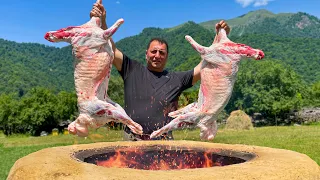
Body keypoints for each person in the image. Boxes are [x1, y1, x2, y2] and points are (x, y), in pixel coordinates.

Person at [90, 2, 230, 141]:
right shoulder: (131, 70)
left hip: (164, 143)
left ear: (167, 56)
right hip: (132, 141)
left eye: (162, 53)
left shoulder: (177, 79)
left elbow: (203, 66)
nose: (157, 55)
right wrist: (102, 21)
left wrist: (220, 40)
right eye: (154, 51)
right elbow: (111, 49)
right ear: (146, 54)